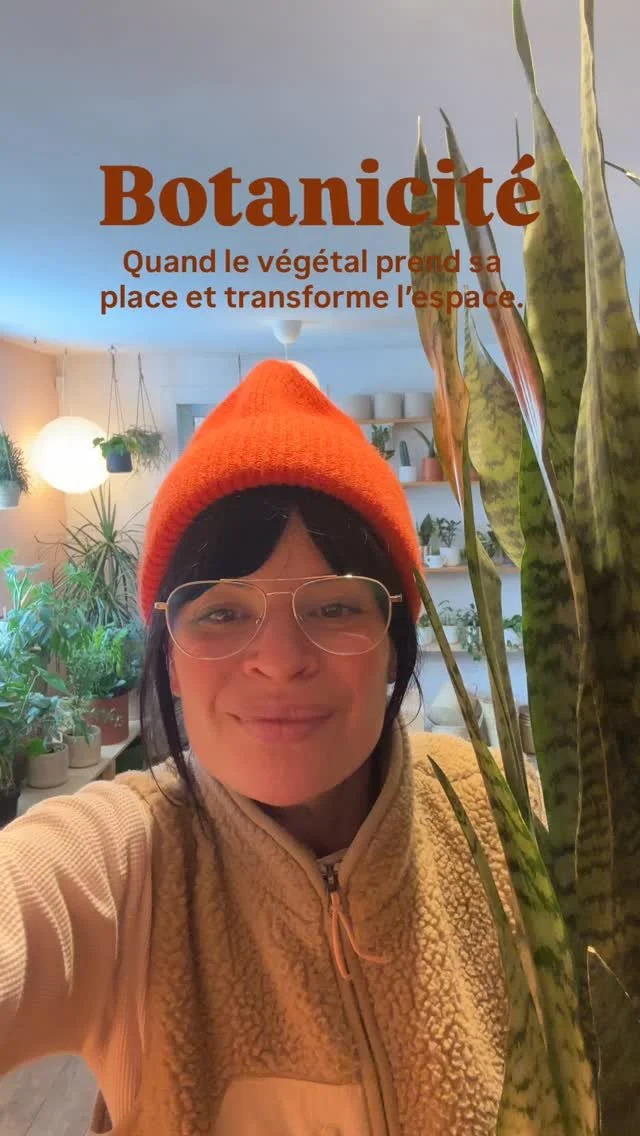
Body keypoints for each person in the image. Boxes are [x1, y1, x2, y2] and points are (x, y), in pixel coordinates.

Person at [0, 359, 540, 1136]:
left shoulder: (502, 808)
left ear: (393, 644)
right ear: (172, 660)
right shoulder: (128, 861)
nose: (281, 660)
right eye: (221, 613)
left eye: (334, 607)